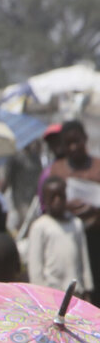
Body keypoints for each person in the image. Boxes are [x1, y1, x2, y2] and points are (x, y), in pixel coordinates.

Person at [47, 121, 100, 290]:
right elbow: (48, 202)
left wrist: (95, 209)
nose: (73, 147)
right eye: (68, 143)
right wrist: (66, 206)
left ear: (85, 139)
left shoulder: (97, 167)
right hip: (69, 235)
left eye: (77, 141)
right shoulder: (58, 169)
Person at [28, 176, 93, 299]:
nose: (57, 200)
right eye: (52, 197)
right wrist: (40, 294)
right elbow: (35, 268)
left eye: (61, 196)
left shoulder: (76, 224)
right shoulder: (40, 226)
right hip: (51, 294)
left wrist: (87, 288)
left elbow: (84, 259)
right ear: (45, 200)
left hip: (76, 292)